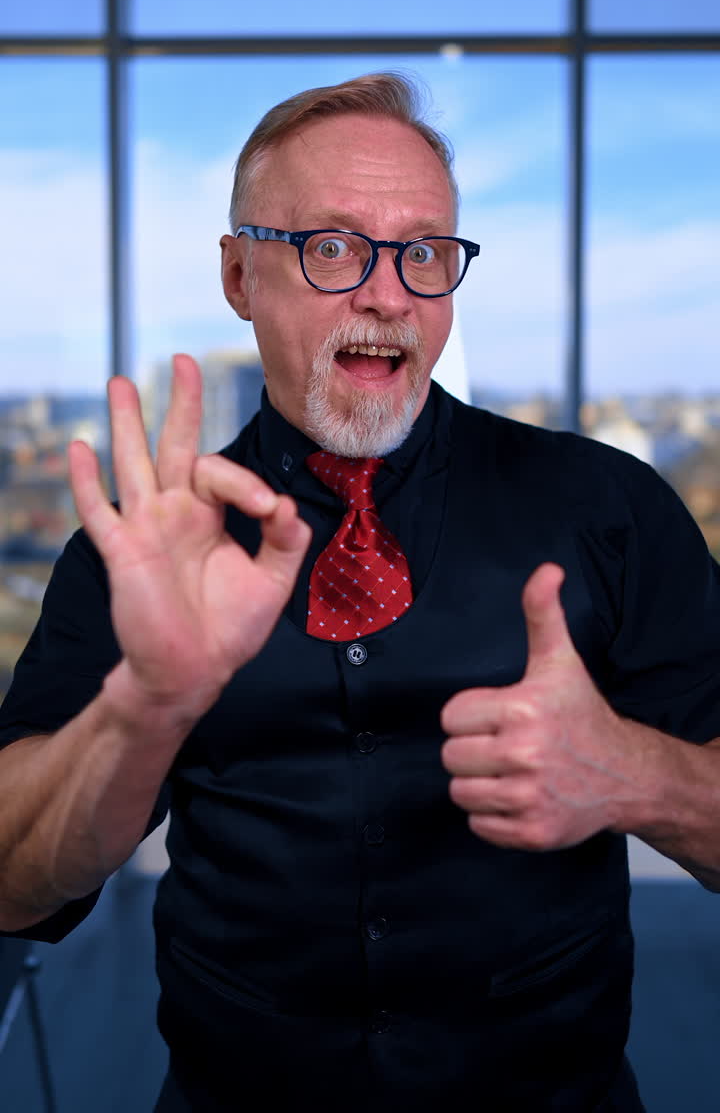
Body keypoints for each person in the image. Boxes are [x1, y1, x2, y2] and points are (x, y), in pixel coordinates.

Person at [0, 73, 719, 1113]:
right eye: (334, 247)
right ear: (241, 272)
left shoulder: (606, 506)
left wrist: (638, 775)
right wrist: (145, 704)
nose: (388, 293)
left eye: (424, 251)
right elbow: (15, 881)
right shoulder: (144, 547)